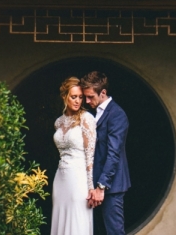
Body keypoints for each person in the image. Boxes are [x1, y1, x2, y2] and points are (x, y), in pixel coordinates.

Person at [80, 71, 130, 235]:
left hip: (111, 185)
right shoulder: (95, 113)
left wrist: (101, 186)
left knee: (114, 232)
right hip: (93, 184)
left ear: (103, 93)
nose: (87, 101)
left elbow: (113, 153)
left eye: (90, 97)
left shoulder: (117, 115)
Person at [51, 77, 97, 235]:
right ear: (64, 97)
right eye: (73, 97)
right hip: (60, 179)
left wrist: (91, 187)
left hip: (79, 179)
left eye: (80, 97)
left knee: (77, 222)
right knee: (60, 219)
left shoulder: (86, 119)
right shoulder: (58, 122)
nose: (78, 101)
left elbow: (90, 157)